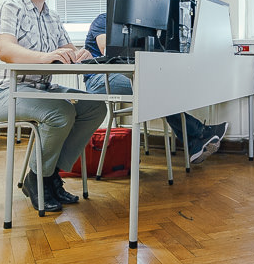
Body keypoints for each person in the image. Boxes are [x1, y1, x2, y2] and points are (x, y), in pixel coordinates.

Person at [0, 0, 107, 212]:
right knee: (60, 112)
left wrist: (78, 54)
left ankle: (51, 175)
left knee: (94, 107)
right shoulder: (11, 7)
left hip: (39, 90)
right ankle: (37, 179)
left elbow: (67, 48)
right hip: (3, 92)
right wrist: (45, 57)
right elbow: (5, 50)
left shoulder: (52, 16)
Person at [83, 10, 227, 162]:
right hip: (98, 79)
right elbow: (108, 50)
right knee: (154, 89)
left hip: (125, 75)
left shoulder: (137, 24)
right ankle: (198, 134)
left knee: (159, 88)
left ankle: (196, 139)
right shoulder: (103, 20)